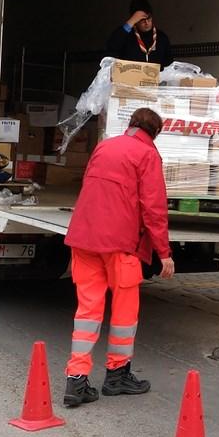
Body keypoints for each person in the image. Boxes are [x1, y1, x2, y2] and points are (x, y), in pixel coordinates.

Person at [61, 107, 175, 407]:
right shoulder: (147, 155)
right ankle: (117, 375)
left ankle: (76, 381)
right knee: (124, 312)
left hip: (84, 239)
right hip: (120, 245)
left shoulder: (104, 146)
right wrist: (164, 253)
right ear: (155, 133)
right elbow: (154, 208)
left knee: (87, 312)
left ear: (131, 125)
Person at [106, 0, 173, 66]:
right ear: (135, 20)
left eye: (148, 18)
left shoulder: (162, 37)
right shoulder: (127, 37)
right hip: (132, 75)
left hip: (156, 75)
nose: (146, 22)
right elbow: (112, 47)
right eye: (142, 20)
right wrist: (130, 22)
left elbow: (169, 63)